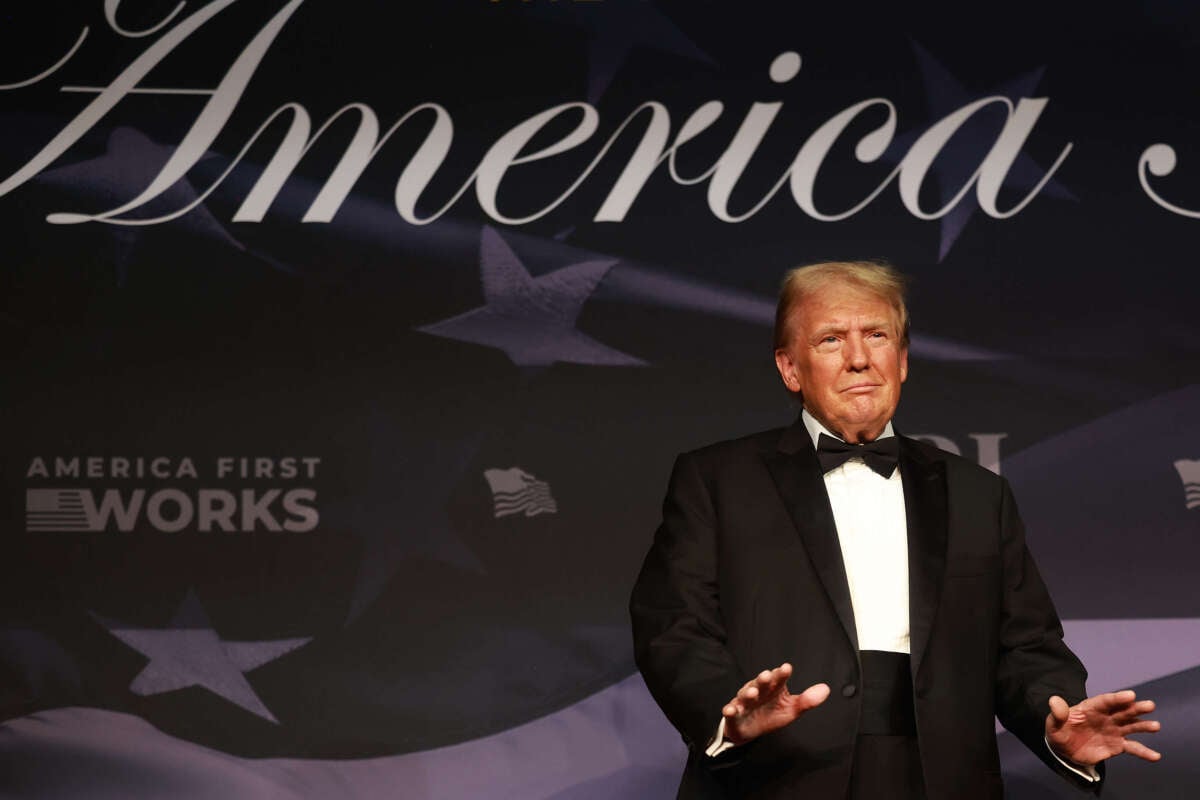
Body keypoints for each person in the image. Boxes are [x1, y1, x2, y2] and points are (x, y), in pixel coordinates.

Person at [629, 261, 1161, 799]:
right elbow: (673, 626)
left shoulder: (979, 494)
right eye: (832, 339)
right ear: (791, 369)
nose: (859, 359)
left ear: (902, 360)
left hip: (941, 779)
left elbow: (1026, 647)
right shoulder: (717, 479)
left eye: (876, 335)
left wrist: (1059, 726)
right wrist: (728, 713)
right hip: (773, 776)